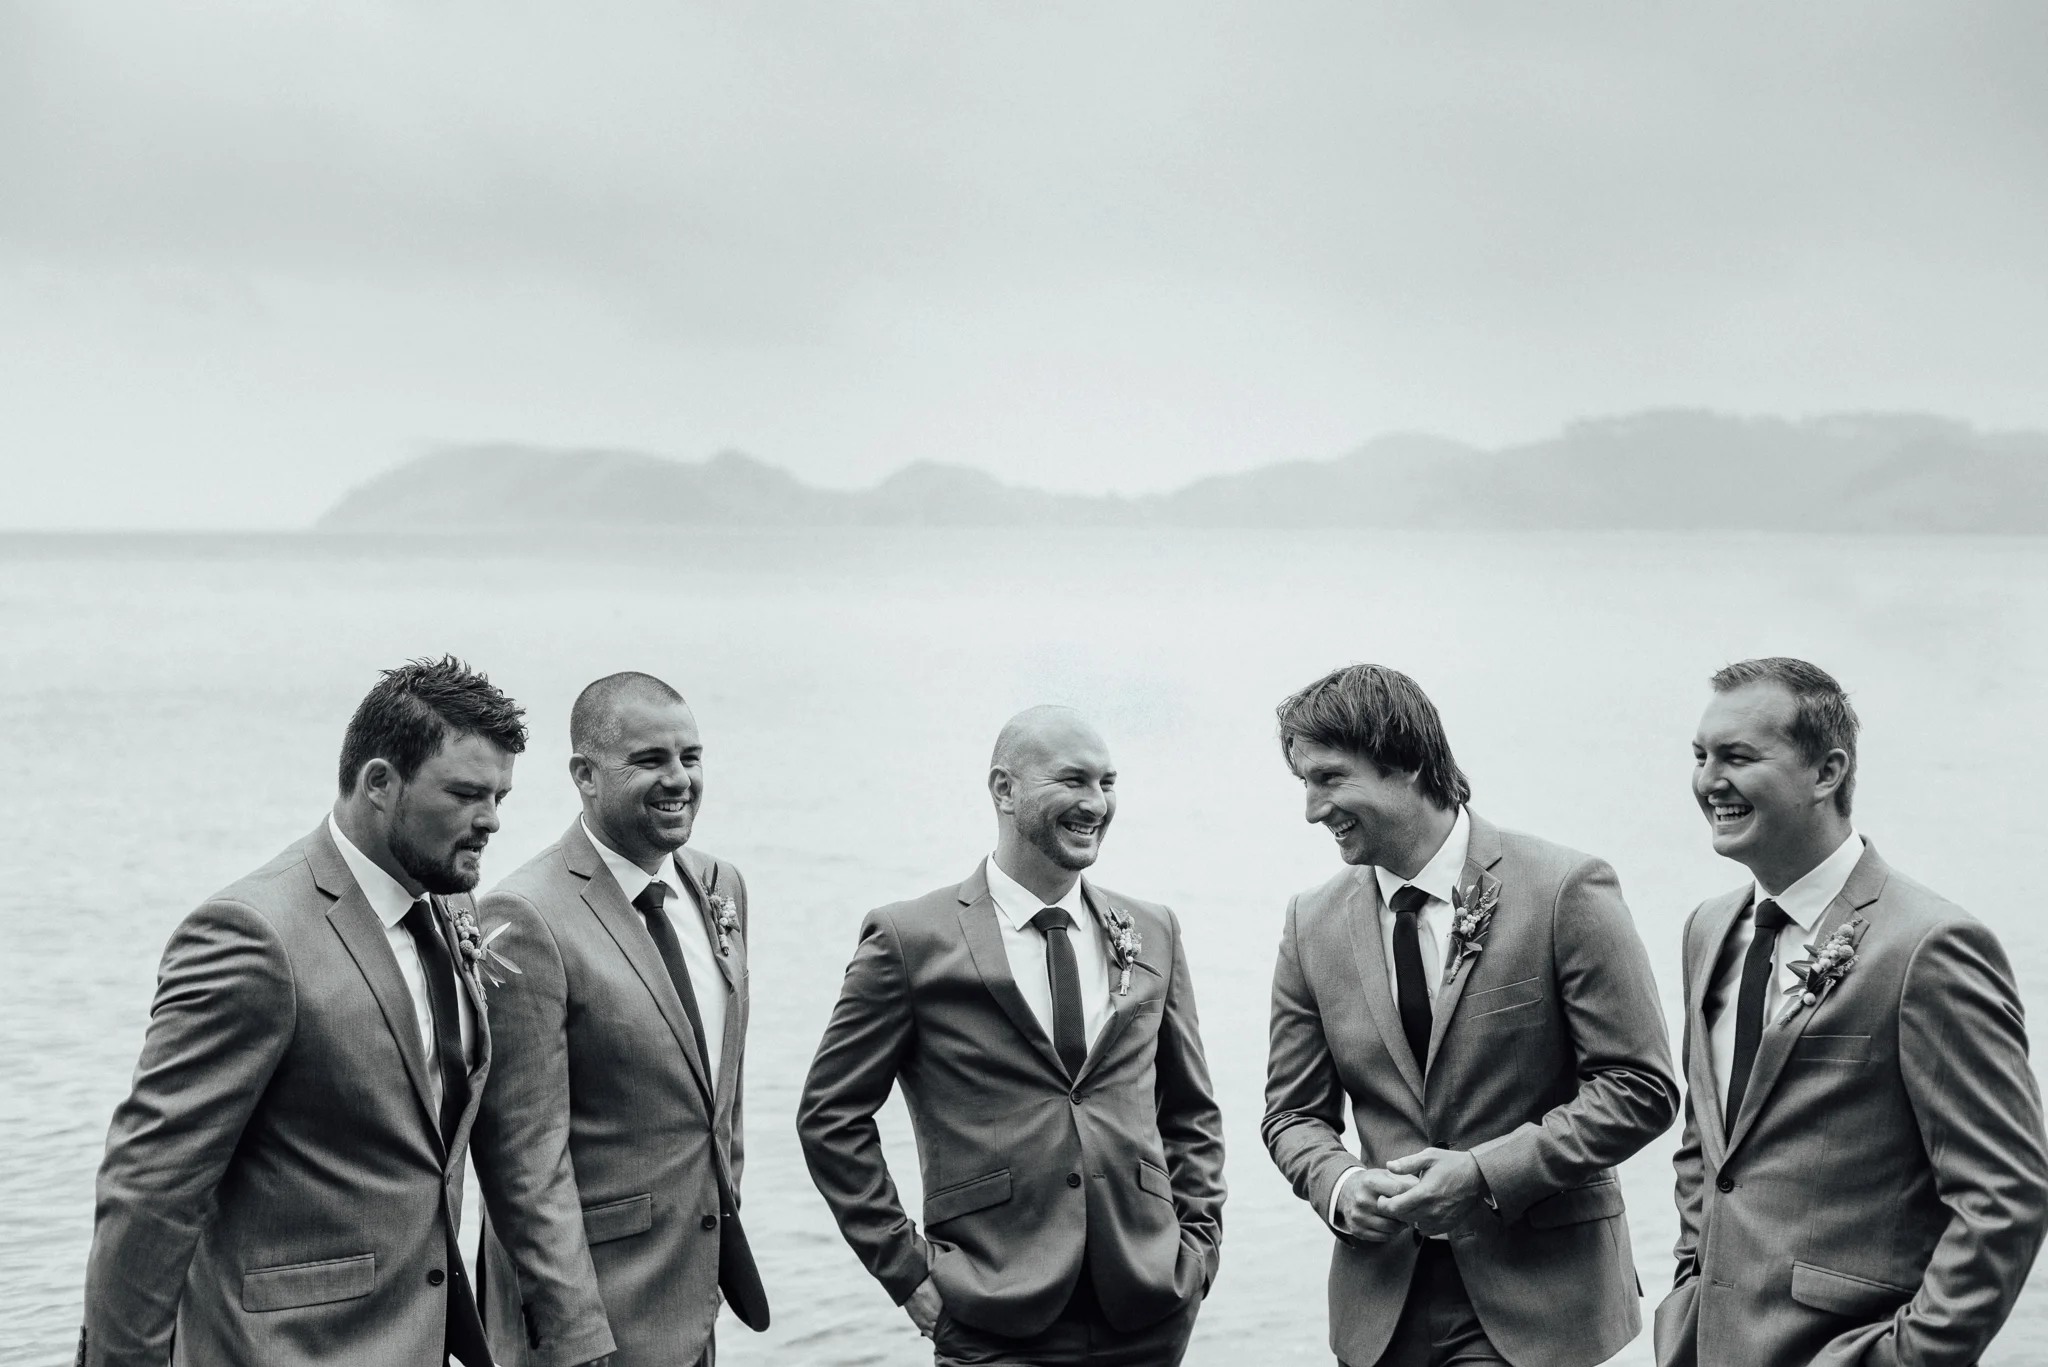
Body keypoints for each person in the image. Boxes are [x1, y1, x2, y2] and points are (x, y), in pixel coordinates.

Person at [79, 657, 525, 1367]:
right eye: (467, 793)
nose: (491, 820)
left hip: (420, 1338)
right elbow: (152, 1190)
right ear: (379, 783)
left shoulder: (447, 899)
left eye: (500, 795)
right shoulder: (253, 936)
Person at [1263, 664, 1677, 1367]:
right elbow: (1292, 1114)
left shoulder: (1565, 889)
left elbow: (1641, 1087)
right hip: (1381, 1308)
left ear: (1406, 762)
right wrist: (1341, 1185)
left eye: (1329, 778)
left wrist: (1485, 1173)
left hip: (1543, 1300)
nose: (1311, 809)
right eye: (1304, 782)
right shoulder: (1311, 922)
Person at [798, 706, 1225, 1366]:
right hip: (992, 1314)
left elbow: (1191, 1112)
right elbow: (831, 1116)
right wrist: (906, 1272)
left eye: (1107, 782)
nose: (1096, 803)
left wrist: (1197, 1253)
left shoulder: (1153, 929)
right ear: (1004, 789)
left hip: (1148, 1310)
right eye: (1073, 780)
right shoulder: (909, 939)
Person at [1656, 658, 2048, 1367]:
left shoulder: (1927, 945)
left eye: (1738, 757)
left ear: (1827, 772)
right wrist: (1689, 1280)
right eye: (1700, 756)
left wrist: (1903, 1356)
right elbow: (1706, 1142)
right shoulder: (1707, 930)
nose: (1709, 781)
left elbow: (2005, 1195)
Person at [470, 671, 767, 1367]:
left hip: (694, 1293)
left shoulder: (720, 885)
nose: (679, 779)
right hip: (591, 1315)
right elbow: (523, 1158)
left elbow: (717, 1094)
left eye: (690, 757)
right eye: (650, 760)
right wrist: (576, 1336)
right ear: (585, 774)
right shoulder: (524, 917)